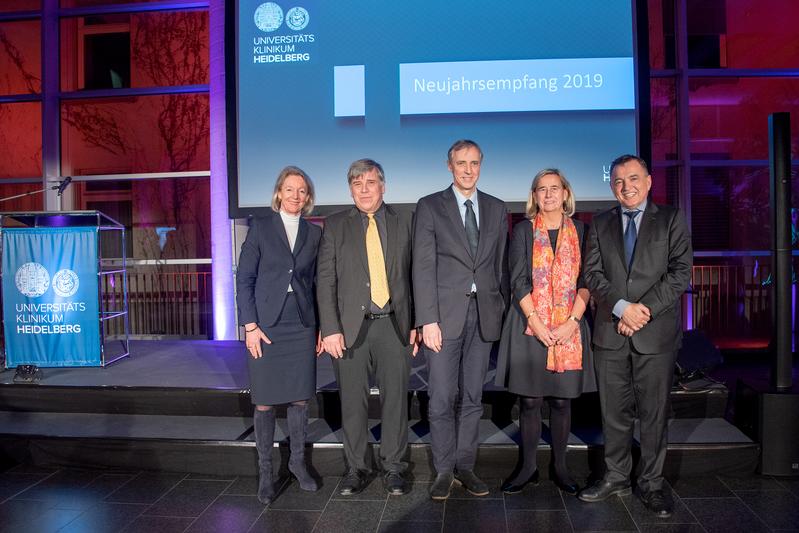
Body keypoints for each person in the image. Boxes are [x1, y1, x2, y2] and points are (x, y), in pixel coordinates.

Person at [580, 155, 692, 518]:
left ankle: (652, 484)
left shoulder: (671, 219)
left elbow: (680, 272)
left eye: (633, 178)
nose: (625, 186)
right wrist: (620, 308)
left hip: (654, 333)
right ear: (611, 185)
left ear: (648, 181)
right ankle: (615, 477)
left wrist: (640, 312)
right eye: (617, 180)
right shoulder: (598, 224)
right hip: (611, 333)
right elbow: (593, 274)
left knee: (654, 414)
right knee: (614, 413)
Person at [413, 139, 509, 500]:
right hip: (442, 318)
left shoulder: (497, 208)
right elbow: (422, 267)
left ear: (481, 165)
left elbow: (500, 265)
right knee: (440, 397)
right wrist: (427, 319)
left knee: (472, 396)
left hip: (483, 316)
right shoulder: (430, 206)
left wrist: (501, 311)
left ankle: (465, 466)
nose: (468, 170)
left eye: (474, 163)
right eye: (461, 163)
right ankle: (443, 470)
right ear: (449, 166)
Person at [316, 158, 417, 496]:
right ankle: (357, 468)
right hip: (348, 330)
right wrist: (329, 328)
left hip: (394, 325)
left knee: (395, 403)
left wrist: (416, 323)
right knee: (352, 404)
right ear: (351, 189)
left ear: (382, 186)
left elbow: (416, 275)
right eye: (356, 184)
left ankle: (394, 468)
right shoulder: (334, 225)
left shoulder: (405, 221)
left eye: (369, 182)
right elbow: (325, 279)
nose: (363, 189)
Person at [495, 169, 596, 496]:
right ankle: (527, 468)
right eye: (542, 189)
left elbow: (588, 280)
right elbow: (518, 279)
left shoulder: (582, 231)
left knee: (562, 402)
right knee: (529, 400)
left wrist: (572, 322)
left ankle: (561, 467)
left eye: (555, 188)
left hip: (570, 327)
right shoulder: (523, 231)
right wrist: (537, 322)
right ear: (534, 196)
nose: (549, 195)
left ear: (565, 193)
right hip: (530, 327)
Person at [236, 166, 323, 505]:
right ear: (278, 193)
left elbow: (315, 284)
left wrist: (321, 328)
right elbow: (244, 280)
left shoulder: (315, 235)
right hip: (266, 325)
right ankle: (266, 473)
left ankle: (298, 464)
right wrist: (250, 326)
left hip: (300, 323)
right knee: (265, 400)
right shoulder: (259, 228)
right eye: (290, 189)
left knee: (301, 398)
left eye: (301, 190)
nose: (295, 196)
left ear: (308, 197)